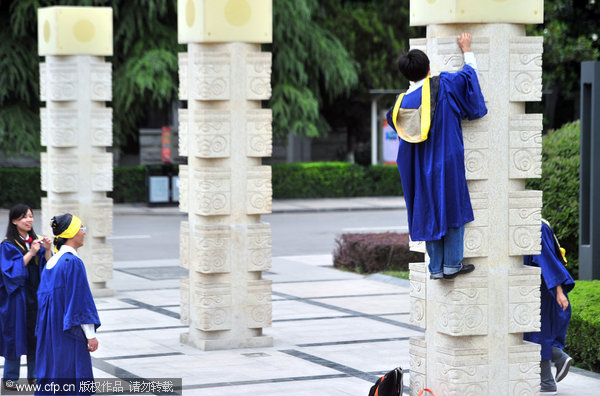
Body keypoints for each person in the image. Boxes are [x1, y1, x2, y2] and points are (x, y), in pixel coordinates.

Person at [386, 33, 487, 280]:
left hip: (419, 169)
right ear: (429, 68)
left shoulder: (399, 105)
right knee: (452, 208)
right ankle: (452, 264)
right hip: (447, 162)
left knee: (427, 210)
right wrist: (467, 50)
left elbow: (394, 123)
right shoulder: (444, 85)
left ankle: (435, 268)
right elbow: (469, 78)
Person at [35, 214, 100, 395]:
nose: (84, 232)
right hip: (68, 332)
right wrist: (90, 334)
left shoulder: (52, 263)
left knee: (54, 373)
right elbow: (79, 301)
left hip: (50, 332)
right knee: (72, 376)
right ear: (71, 233)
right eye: (81, 228)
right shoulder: (72, 263)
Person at [1, 204, 52, 390]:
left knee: (35, 337)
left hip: (35, 297)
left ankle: (35, 376)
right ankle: (10, 378)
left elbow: (48, 270)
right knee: (15, 337)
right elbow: (11, 274)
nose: (29, 220)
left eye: (31, 216)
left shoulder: (35, 241)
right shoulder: (8, 245)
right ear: (14, 221)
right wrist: (31, 252)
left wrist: (47, 250)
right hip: (16, 300)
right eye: (24, 217)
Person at [524, 219, 574, 394]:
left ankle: (547, 381)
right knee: (532, 331)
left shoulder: (536, 225)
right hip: (528, 284)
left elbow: (547, 260)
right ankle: (557, 356)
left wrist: (558, 291)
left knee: (537, 331)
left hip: (540, 285)